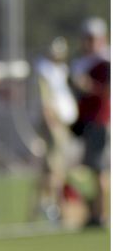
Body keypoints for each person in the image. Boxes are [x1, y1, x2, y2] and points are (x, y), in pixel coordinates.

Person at [32, 37, 77, 223]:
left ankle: (52, 204)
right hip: (53, 124)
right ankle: (49, 204)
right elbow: (45, 102)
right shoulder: (44, 70)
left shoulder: (60, 70)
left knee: (59, 167)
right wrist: (51, 121)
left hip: (63, 123)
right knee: (53, 167)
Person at [71, 17, 110, 227]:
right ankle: (93, 212)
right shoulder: (83, 61)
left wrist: (89, 86)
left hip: (99, 121)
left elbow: (105, 91)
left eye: (93, 38)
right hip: (83, 123)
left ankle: (101, 215)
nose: (89, 42)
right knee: (86, 171)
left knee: (98, 170)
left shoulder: (105, 62)